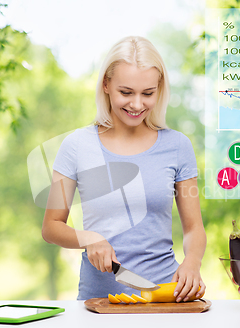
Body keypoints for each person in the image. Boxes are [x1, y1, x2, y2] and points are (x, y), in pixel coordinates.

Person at [42, 36, 206, 302]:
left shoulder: (177, 146)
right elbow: (51, 226)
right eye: (126, 92)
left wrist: (192, 262)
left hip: (165, 296)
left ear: (159, 88)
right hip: (100, 300)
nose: (137, 104)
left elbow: (193, 228)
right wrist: (88, 238)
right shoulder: (76, 146)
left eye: (148, 93)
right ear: (106, 85)